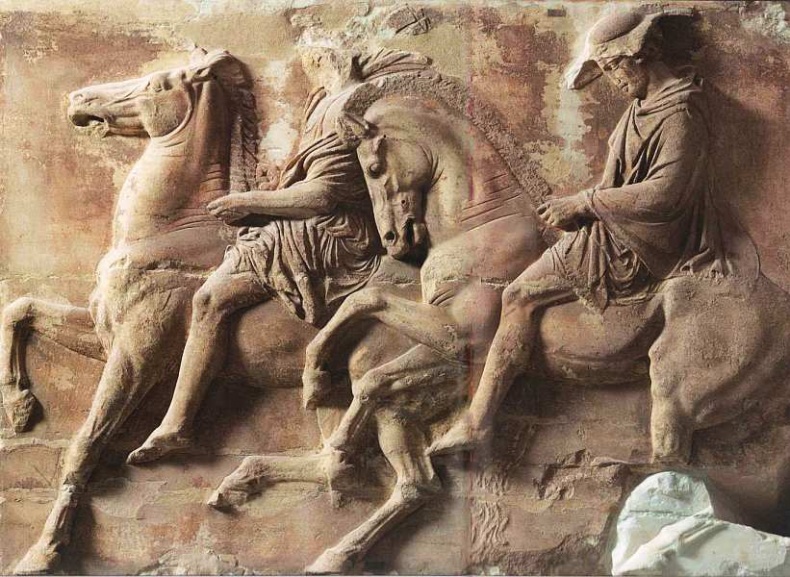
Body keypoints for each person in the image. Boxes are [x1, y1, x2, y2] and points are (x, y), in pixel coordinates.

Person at [427, 8, 757, 455]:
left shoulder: (680, 112)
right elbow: (616, 182)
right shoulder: (640, 108)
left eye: (615, 67)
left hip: (646, 242)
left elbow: (664, 194)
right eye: (606, 69)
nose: (614, 80)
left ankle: (479, 421)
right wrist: (580, 212)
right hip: (616, 226)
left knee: (518, 295)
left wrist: (584, 203)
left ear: (642, 56)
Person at [127, 46, 432, 464]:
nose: (314, 70)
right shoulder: (324, 104)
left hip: (326, 234)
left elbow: (321, 195)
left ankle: (178, 424)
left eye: (319, 62)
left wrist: (249, 202)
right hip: (308, 224)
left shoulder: (346, 111)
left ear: (340, 66)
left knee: (209, 299)